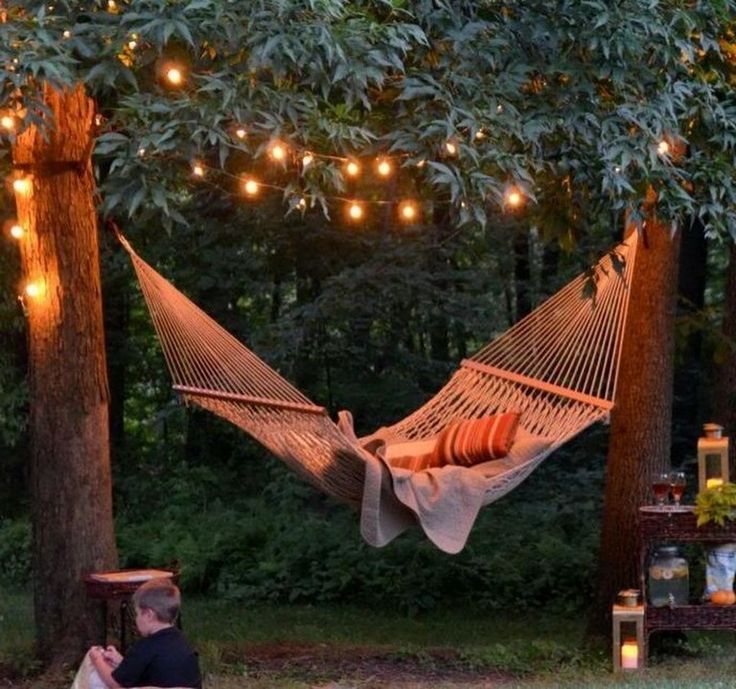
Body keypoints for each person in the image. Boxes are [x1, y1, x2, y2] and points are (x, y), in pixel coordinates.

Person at [87, 577, 201, 689]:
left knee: (94, 675)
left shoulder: (145, 647)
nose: (136, 619)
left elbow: (116, 683)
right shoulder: (181, 641)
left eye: (137, 614)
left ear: (148, 615)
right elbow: (151, 669)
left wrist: (97, 659)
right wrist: (122, 662)